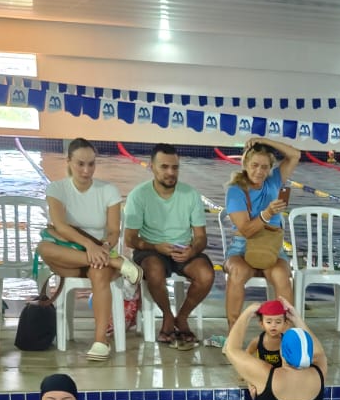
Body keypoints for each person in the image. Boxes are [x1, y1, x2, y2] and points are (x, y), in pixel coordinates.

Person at [37, 138, 142, 362]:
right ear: (69, 162)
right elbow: (61, 226)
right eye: (80, 164)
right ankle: (115, 262)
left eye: (91, 164)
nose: (86, 170)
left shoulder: (108, 191)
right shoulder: (57, 189)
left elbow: (113, 231)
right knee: (44, 248)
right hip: (74, 255)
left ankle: (100, 341)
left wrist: (103, 248)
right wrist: (91, 248)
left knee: (98, 272)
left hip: (99, 255)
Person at [123, 143, 213, 349]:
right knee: (154, 271)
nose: (171, 172)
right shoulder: (139, 195)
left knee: (206, 275)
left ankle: (182, 317)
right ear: (152, 167)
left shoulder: (190, 194)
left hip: (183, 249)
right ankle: (167, 316)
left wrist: (192, 250)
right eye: (164, 167)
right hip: (151, 249)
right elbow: (130, 239)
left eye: (175, 167)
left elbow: (201, 237)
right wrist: (156, 247)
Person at [224, 137, 300, 326]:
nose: (259, 171)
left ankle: (286, 332)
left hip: (271, 247)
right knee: (238, 272)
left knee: (282, 274)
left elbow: (295, 155)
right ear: (245, 165)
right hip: (242, 247)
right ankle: (233, 331)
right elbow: (246, 230)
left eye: (265, 167)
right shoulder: (236, 190)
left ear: (270, 168)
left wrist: (262, 141)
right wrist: (268, 213)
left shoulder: (274, 181)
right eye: (255, 165)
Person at [223, 299, 327, 400]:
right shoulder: (319, 371)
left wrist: (246, 313)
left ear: (282, 351)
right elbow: (319, 353)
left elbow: (231, 349)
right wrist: (296, 318)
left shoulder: (266, 375)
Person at [245, 299, 289, 368]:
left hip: (281, 373)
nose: (273, 325)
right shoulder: (257, 341)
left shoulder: (287, 341)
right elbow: (246, 355)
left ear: (285, 324)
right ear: (261, 324)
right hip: (263, 372)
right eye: (269, 322)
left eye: (278, 322)